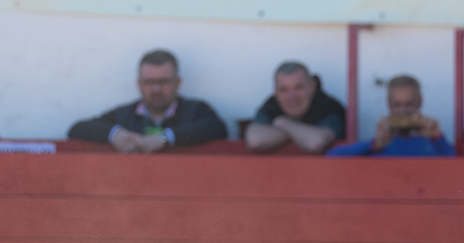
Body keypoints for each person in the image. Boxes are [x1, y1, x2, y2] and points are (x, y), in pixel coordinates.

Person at [67, 50, 227, 153]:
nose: (156, 89)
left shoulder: (196, 109)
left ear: (178, 83)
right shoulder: (124, 114)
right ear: (139, 84)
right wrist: (116, 134)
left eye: (164, 82)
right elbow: (77, 129)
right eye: (149, 82)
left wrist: (164, 138)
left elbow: (218, 127)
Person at [327, 75, 454, 157]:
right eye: (397, 105)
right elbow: (333, 156)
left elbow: (455, 167)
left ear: (420, 102)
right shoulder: (381, 143)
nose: (403, 110)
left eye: (409, 104)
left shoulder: (430, 140)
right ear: (388, 103)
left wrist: (437, 137)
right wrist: (374, 144)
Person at [245, 62, 345, 154]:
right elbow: (255, 140)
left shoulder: (329, 107)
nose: (292, 97)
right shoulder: (272, 105)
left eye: (298, 87)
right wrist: (299, 135)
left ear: (313, 86)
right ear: (275, 91)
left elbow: (315, 143)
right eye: (284, 90)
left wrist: (282, 123)